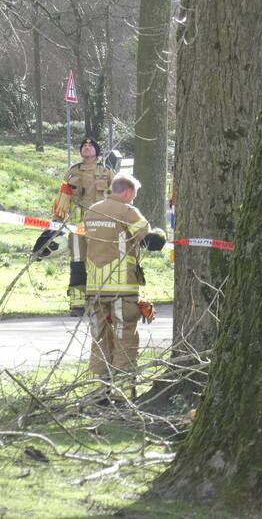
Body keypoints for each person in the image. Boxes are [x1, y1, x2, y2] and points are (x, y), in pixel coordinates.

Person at [83, 174, 166, 389]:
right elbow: (151, 242)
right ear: (127, 192)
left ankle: (99, 387)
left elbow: (82, 243)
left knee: (99, 338)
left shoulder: (91, 211)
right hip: (122, 287)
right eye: (134, 196)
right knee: (124, 337)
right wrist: (161, 234)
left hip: (95, 288)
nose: (133, 200)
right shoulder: (128, 211)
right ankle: (121, 388)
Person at [52, 137, 115, 316]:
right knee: (78, 262)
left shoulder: (107, 172)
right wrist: (56, 224)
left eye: (90, 146)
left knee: (101, 262)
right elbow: (62, 200)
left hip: (102, 227)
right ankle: (77, 304)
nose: (86, 148)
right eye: (84, 146)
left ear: (97, 151)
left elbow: (119, 198)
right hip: (77, 227)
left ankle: (101, 303)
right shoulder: (72, 173)